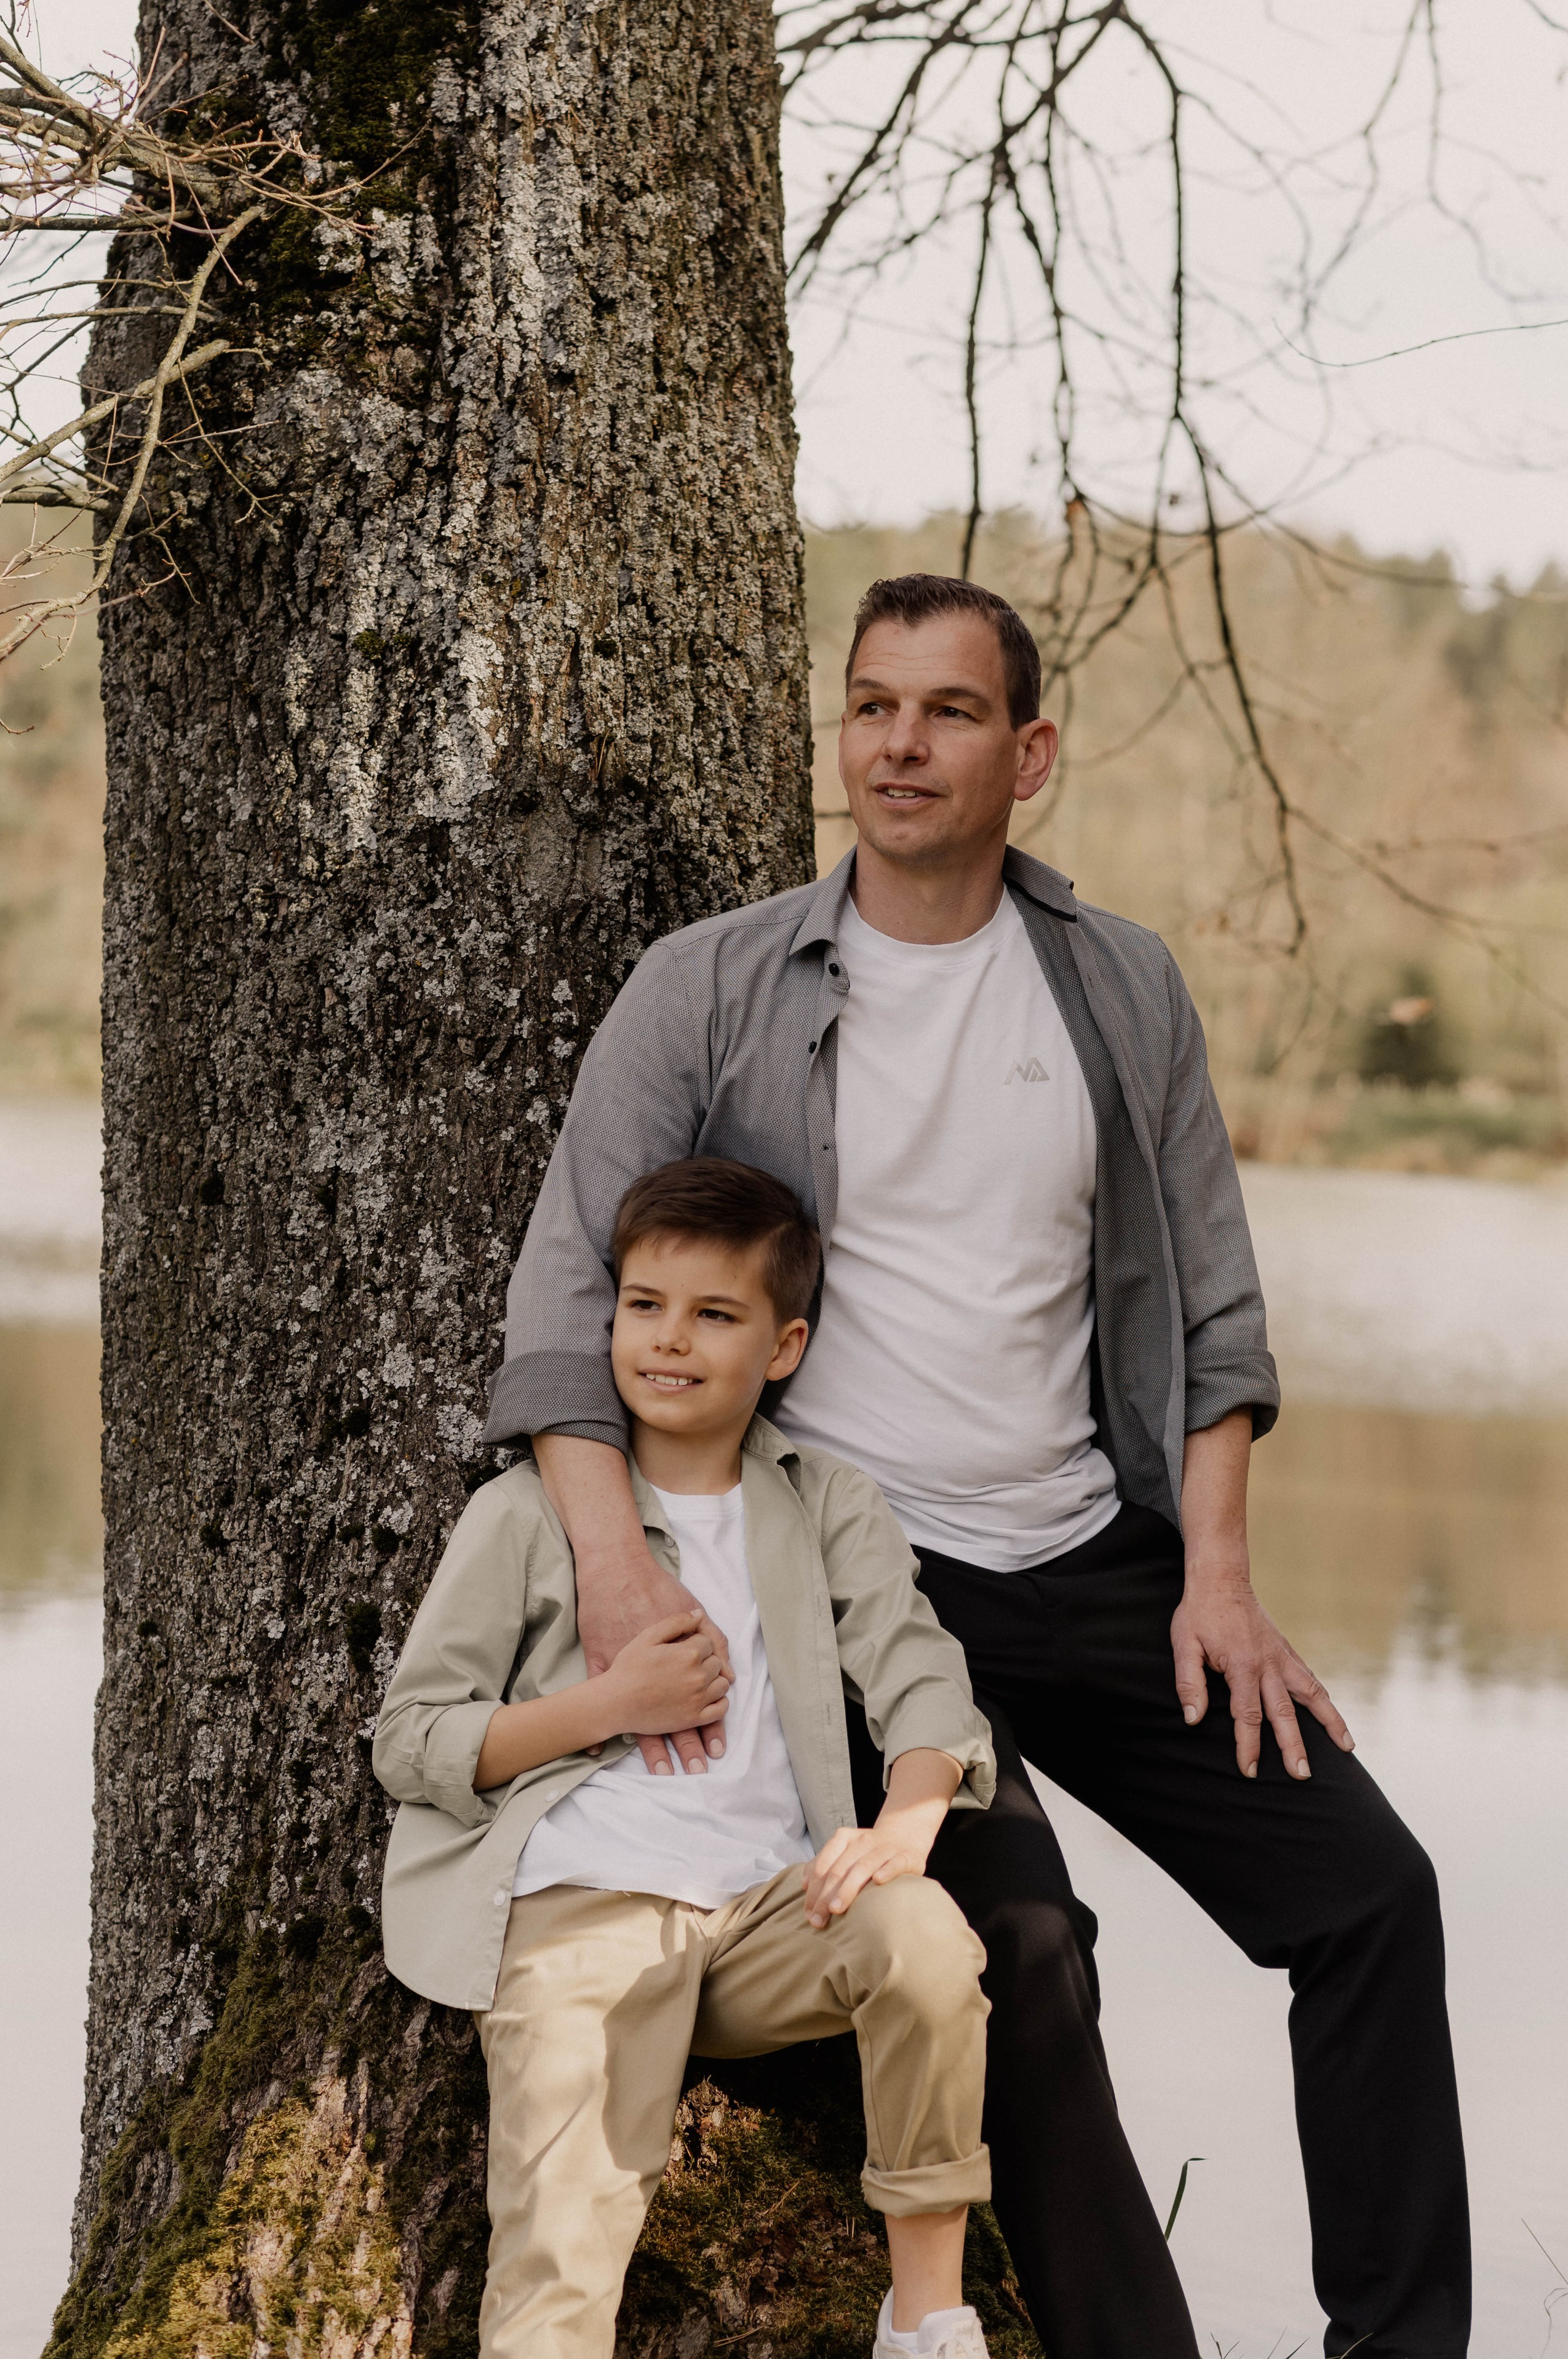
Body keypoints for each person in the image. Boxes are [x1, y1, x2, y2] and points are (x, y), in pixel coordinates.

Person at [484, 572, 1471, 2359]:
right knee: (1024, 1945)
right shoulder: (709, 987)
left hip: (1099, 1563)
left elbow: (1216, 1322)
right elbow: (564, 1309)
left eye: (945, 712)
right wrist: (620, 1563)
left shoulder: (1117, 988)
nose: (899, 745)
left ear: (1031, 753)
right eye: (871, 706)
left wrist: (1221, 1587)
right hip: (863, 1593)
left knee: (1373, 1894)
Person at [375, 1156, 1001, 2359]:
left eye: (714, 1314)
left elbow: (920, 1670)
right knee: (560, 2258)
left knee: (923, 1936)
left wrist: (905, 1821)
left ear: (782, 1344)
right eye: (643, 1305)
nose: (668, 1340)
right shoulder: (525, 1513)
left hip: (772, 1912)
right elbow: (413, 1739)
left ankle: (924, 2318)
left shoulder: (827, 1503)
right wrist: (607, 1701)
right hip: (582, 1917)